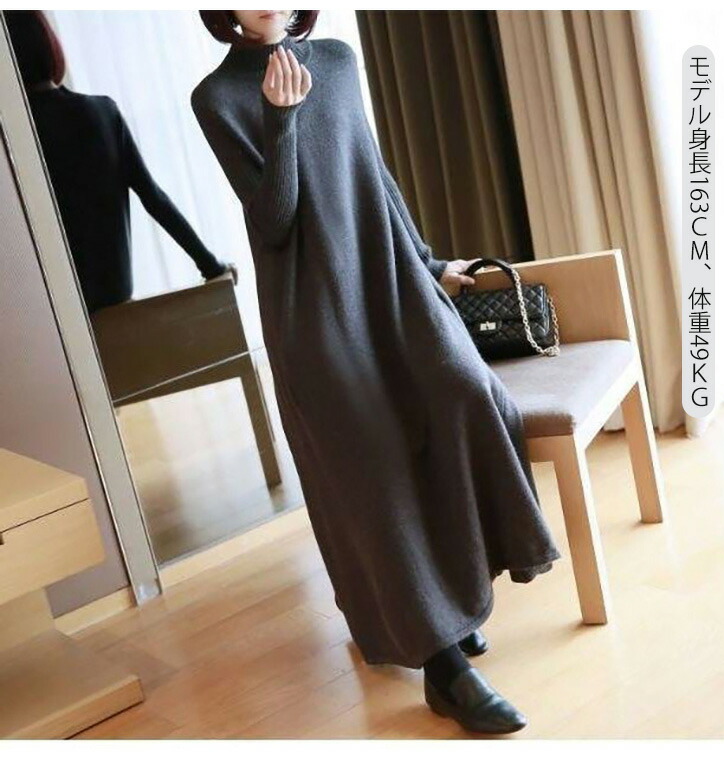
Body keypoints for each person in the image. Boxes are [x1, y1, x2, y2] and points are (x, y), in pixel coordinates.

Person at [192, 9, 561, 734]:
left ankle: (453, 601)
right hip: (313, 312)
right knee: (374, 464)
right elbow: (273, 222)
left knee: (469, 392)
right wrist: (280, 120)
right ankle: (444, 669)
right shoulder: (218, 97)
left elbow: (374, 174)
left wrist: (427, 260)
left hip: (389, 280)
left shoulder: (337, 60)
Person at [5, 10, 236, 314]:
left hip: (46, 309)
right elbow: (153, 198)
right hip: (114, 294)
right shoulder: (100, 113)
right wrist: (211, 265)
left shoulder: (13, 140)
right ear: (48, 45)